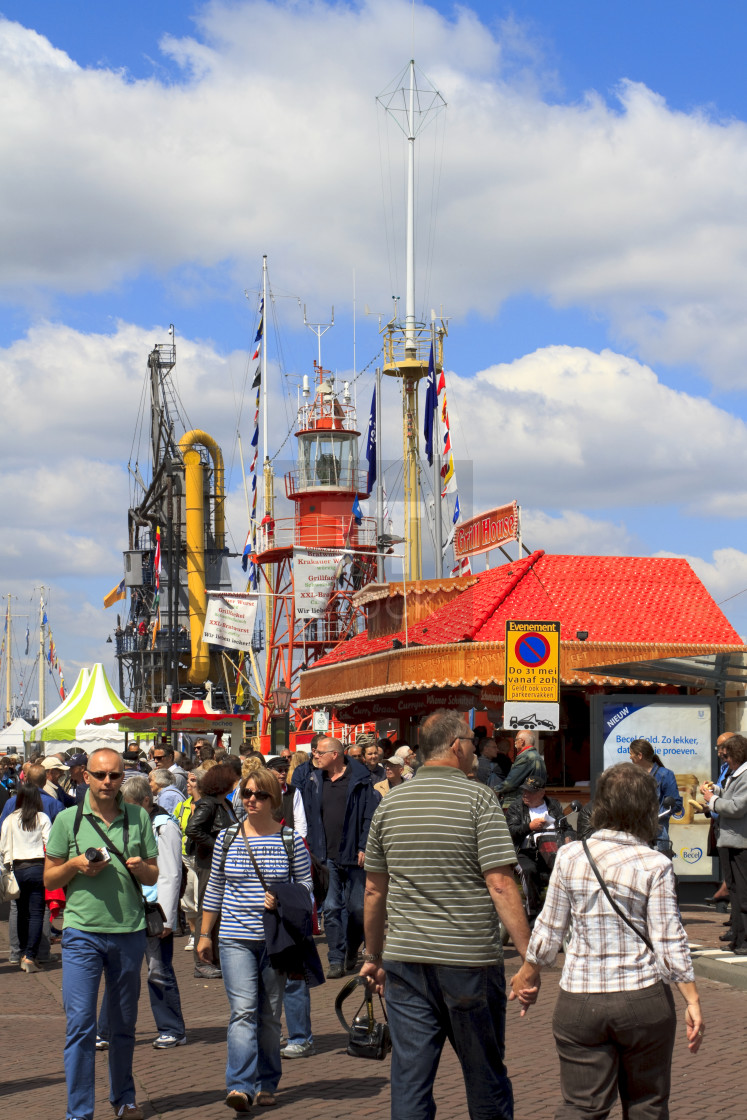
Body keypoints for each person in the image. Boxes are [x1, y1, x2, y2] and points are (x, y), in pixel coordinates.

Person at [362, 710, 534, 1120]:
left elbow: (372, 890)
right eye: (473, 745)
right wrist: (530, 957)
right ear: (456, 746)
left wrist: (374, 956)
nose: (476, 752)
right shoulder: (478, 799)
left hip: (406, 960)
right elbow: (501, 883)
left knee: (410, 1078)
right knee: (485, 1075)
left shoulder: (391, 802)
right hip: (468, 960)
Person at [511, 762, 704, 1120]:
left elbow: (549, 930)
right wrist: (691, 998)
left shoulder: (570, 857)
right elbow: (669, 941)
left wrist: (527, 975)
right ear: (646, 807)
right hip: (642, 996)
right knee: (647, 1104)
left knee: (581, 1107)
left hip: (581, 998)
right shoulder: (655, 863)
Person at [44, 748, 159, 1120]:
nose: (108, 782)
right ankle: (79, 1111)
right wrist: (76, 865)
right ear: (86, 777)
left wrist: (142, 868)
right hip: (81, 933)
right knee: (80, 1025)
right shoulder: (66, 820)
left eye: (114, 776)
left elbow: (155, 874)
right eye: (100, 775)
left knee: (124, 1024)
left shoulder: (139, 817)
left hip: (129, 930)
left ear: (122, 777)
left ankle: (123, 1098)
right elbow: (49, 877)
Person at [197, 767, 312, 1112]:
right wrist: (205, 934)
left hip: (275, 940)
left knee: (270, 1015)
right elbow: (214, 887)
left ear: (274, 799)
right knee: (243, 1011)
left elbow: (307, 888)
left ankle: (267, 1081)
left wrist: (281, 896)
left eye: (260, 795)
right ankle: (240, 1087)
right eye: (246, 794)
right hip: (234, 937)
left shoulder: (290, 840)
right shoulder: (227, 838)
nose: (251, 800)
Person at [99, 776, 186, 1048]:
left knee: (158, 971)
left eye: (131, 804)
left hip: (152, 911)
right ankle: (106, 1029)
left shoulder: (164, 826)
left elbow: (171, 874)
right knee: (120, 971)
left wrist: (168, 918)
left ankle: (172, 1028)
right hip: (129, 908)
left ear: (146, 801)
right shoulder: (133, 823)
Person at [302, 735, 377, 978]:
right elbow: (310, 817)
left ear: (335, 755)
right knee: (332, 907)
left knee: (356, 908)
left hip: (355, 855)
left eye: (320, 753)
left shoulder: (360, 782)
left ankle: (351, 948)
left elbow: (369, 818)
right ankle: (336, 957)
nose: (315, 755)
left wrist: (364, 846)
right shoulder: (314, 780)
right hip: (326, 855)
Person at [186, 762, 238, 978]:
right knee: (207, 910)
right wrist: (217, 845)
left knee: (216, 911)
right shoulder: (209, 804)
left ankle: (213, 957)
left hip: (220, 863)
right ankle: (202, 961)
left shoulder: (225, 803)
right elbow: (193, 829)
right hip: (209, 864)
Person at [701, 733, 747, 953]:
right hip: (729, 841)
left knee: (743, 893)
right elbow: (730, 796)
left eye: (727, 754)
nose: (724, 758)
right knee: (735, 892)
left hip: (740, 842)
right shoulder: (734, 774)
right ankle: (737, 939)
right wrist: (716, 793)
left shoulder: (745, 775)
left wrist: (713, 800)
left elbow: (737, 807)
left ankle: (744, 941)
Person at [0, 782, 51, 972]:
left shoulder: (10, 820)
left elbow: (4, 846)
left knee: (21, 912)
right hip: (38, 867)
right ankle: (30, 955)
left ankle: (22, 952)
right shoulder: (42, 818)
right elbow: (50, 843)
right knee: (37, 912)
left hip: (17, 869)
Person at [505, 776, 568, 922]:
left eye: (530, 792)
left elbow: (566, 827)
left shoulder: (553, 805)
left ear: (541, 793)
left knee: (562, 868)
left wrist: (568, 837)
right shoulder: (517, 807)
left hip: (551, 849)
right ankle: (532, 914)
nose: (525, 795)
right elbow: (510, 831)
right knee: (529, 870)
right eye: (524, 791)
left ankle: (560, 912)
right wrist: (529, 827)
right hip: (524, 851)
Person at [628, 738, 683, 854]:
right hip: (634, 833)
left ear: (639, 755)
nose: (629, 757)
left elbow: (676, 804)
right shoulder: (632, 776)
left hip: (657, 835)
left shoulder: (665, 774)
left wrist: (656, 816)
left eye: (631, 754)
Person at [174, 768, 206, 950]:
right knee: (187, 898)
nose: (188, 783)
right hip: (185, 857)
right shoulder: (183, 805)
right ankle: (193, 935)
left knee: (201, 897)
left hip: (202, 857)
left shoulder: (208, 805)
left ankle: (204, 934)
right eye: (188, 780)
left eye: (192, 780)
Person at [500, 729, 547, 807]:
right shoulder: (536, 757)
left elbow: (510, 783)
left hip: (518, 803)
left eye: (516, 739)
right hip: (532, 802)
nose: (514, 742)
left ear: (522, 741)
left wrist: (496, 790)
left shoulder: (525, 757)